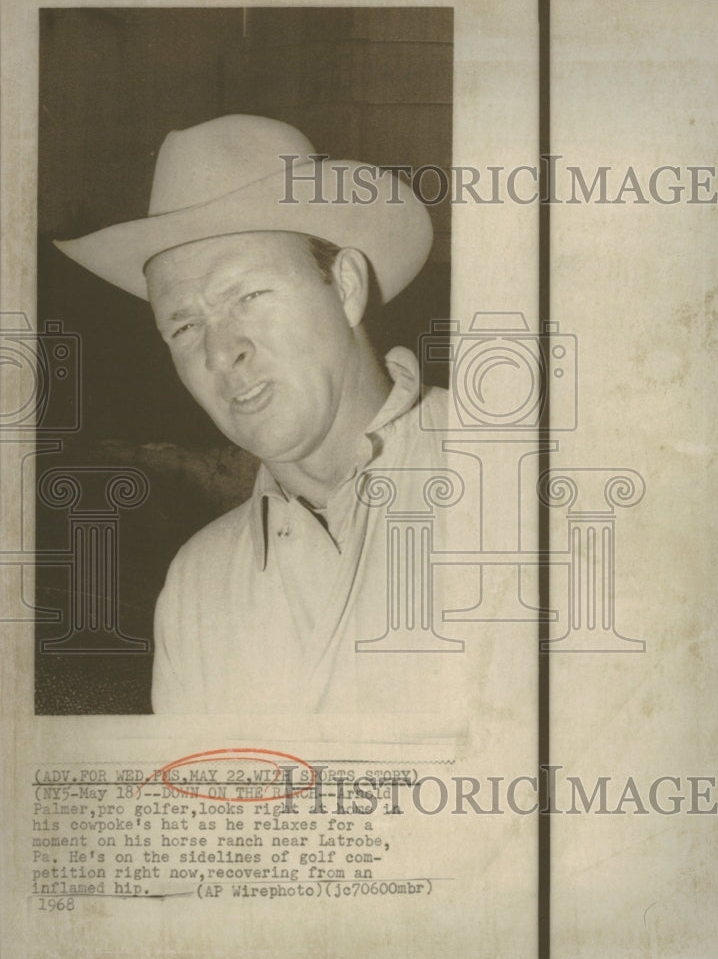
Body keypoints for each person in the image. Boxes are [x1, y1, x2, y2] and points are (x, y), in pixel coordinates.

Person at [55, 114, 455, 714]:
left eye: (247, 295)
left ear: (345, 287)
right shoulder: (199, 588)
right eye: (184, 325)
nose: (221, 352)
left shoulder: (517, 479)